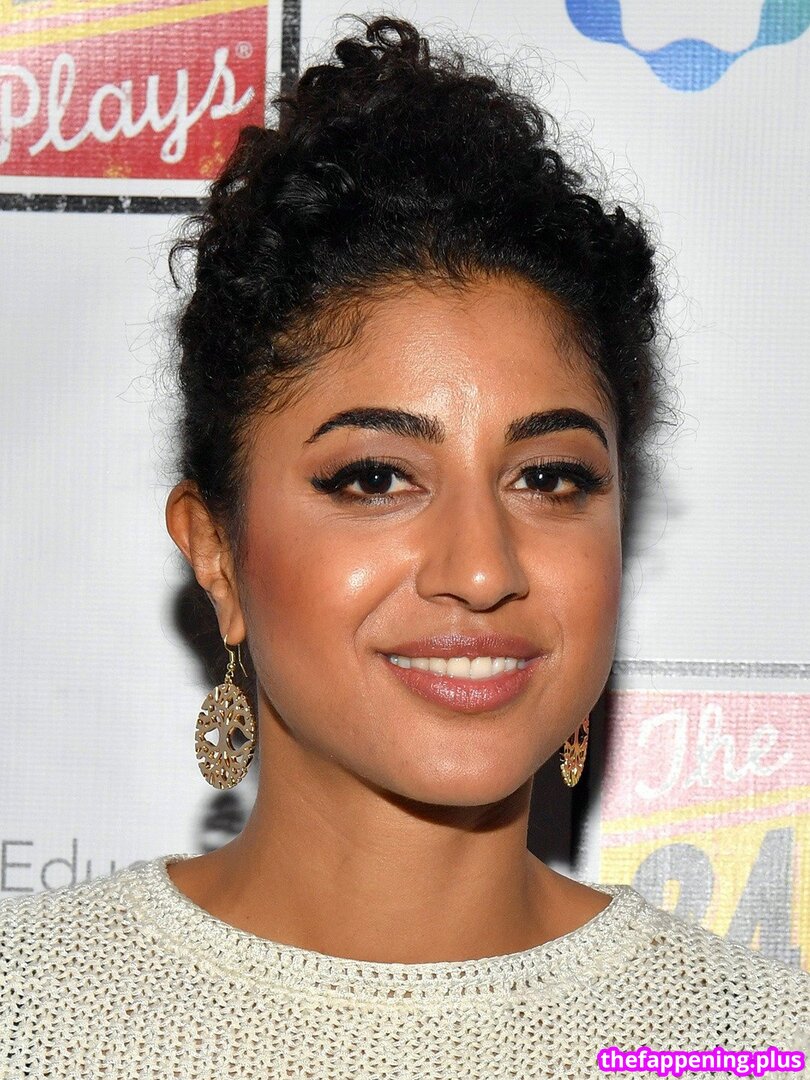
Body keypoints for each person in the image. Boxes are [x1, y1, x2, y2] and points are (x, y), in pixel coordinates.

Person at [1, 14, 807, 1079]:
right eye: (376, 479)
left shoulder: (756, 1045)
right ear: (217, 553)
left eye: (549, 478)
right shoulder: (28, 1014)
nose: (481, 570)